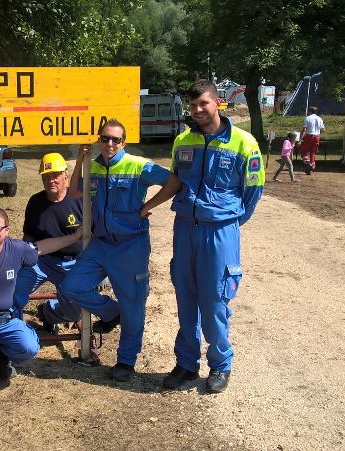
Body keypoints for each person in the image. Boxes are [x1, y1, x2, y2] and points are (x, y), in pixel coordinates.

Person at [141, 79, 264, 393]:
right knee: (185, 298)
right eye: (193, 105)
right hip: (185, 229)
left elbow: (253, 191)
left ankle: (220, 364)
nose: (197, 110)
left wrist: (228, 221)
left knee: (214, 301)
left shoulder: (244, 142)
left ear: (217, 103)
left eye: (203, 103)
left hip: (219, 233)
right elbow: (176, 180)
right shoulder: (182, 141)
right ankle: (186, 364)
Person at [60, 118, 176, 382]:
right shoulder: (93, 166)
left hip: (130, 246)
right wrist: (81, 159)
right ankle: (113, 312)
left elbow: (173, 182)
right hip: (100, 244)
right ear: (99, 140)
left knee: (133, 304)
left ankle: (126, 361)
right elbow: (75, 192)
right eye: (105, 138)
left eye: (115, 139)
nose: (109, 143)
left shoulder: (137, 165)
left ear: (123, 142)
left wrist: (148, 207)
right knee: (71, 287)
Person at [0, 207, 82, 386]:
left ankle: (3, 355)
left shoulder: (17, 249)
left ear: (7, 231)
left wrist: (75, 237)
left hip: (7, 320)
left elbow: (42, 248)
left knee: (30, 348)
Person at [12, 152, 90, 333]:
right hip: (41, 261)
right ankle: (14, 333)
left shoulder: (80, 199)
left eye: (55, 175)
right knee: (14, 291)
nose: (51, 180)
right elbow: (29, 235)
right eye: (46, 176)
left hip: (74, 263)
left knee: (73, 313)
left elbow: (96, 235)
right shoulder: (35, 202)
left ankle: (48, 311)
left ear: (65, 176)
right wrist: (21, 261)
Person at [300, 106, 325, 174]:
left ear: (309, 111)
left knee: (303, 152)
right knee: (313, 153)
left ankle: (309, 164)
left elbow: (304, 130)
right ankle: (310, 169)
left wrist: (300, 139)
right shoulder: (320, 119)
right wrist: (318, 133)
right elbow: (323, 130)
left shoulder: (307, 118)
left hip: (309, 136)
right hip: (317, 137)